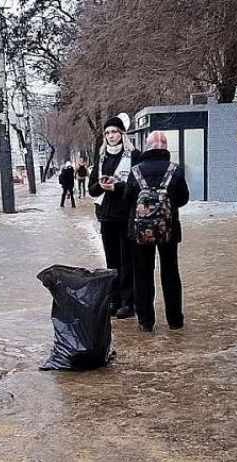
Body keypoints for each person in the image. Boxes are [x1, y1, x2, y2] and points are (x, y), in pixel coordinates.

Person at [123, 131, 190, 332]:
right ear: (165, 146)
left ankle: (145, 321)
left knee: (142, 275)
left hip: (139, 232)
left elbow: (127, 199)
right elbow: (183, 198)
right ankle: (175, 320)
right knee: (170, 273)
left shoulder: (135, 171)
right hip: (167, 230)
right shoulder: (175, 170)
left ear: (147, 145)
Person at [88, 114, 141, 319]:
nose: (111, 136)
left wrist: (117, 187)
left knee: (127, 261)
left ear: (122, 134)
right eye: (108, 133)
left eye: (115, 132)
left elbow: (137, 186)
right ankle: (115, 299)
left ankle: (129, 302)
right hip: (106, 216)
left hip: (126, 215)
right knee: (111, 261)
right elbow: (92, 189)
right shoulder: (101, 158)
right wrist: (100, 185)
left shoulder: (134, 156)